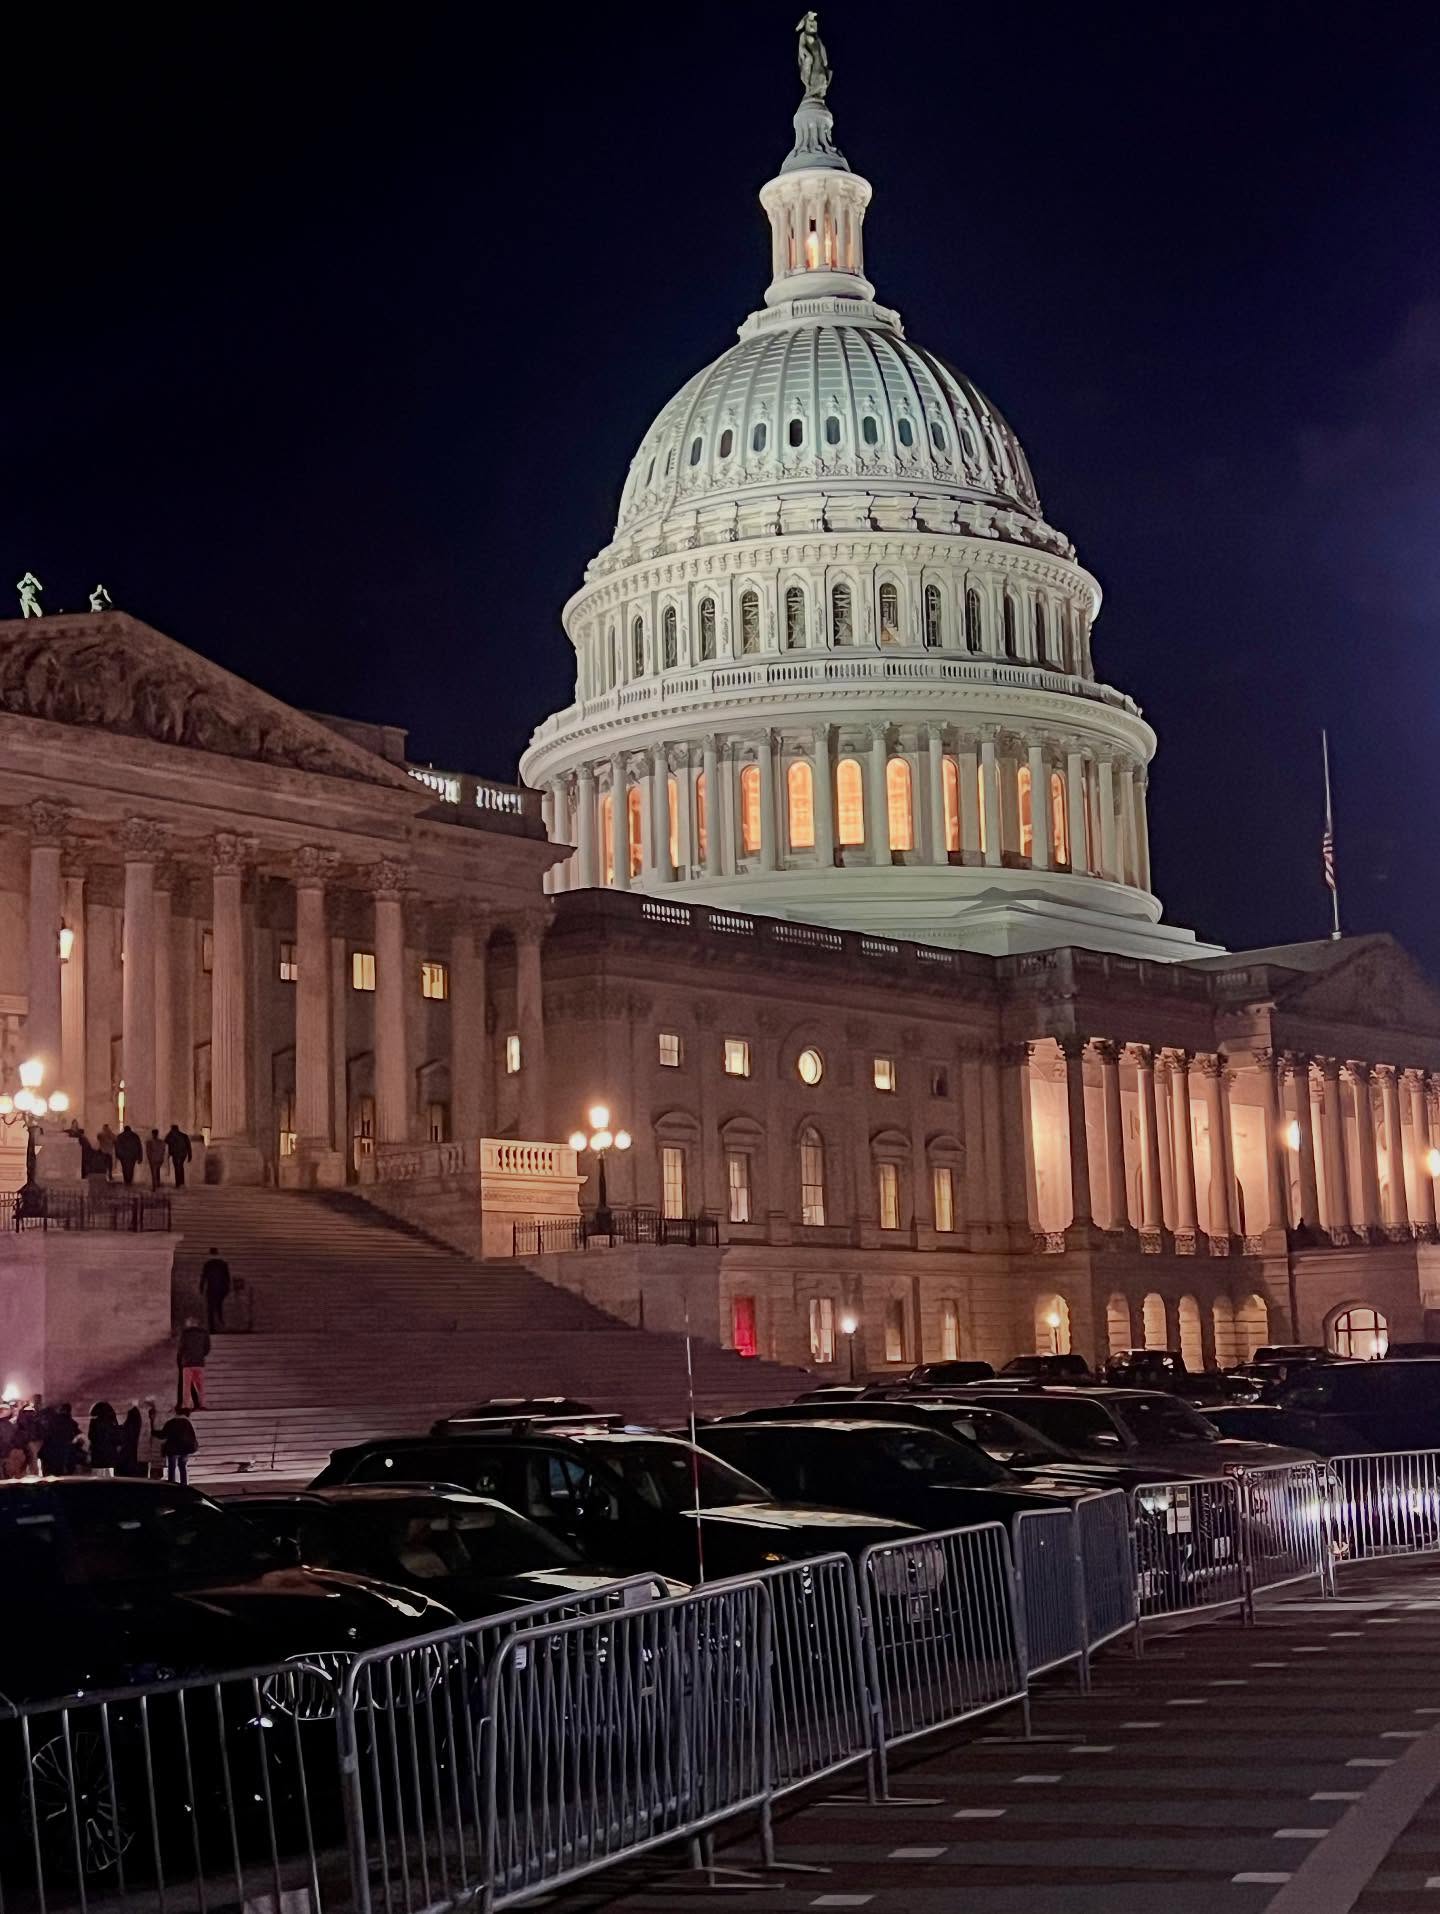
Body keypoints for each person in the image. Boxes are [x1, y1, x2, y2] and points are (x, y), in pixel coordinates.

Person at [176, 1318, 210, 1410]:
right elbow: (207, 1348)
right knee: (201, 1386)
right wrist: (201, 1355)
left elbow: (181, 1347)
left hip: (187, 1363)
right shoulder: (204, 1333)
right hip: (199, 1363)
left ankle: (186, 1405)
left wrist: (182, 1356)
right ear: (197, 1324)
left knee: (186, 1386)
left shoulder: (185, 1334)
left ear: (189, 1324)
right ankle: (203, 1405)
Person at [159, 1407, 198, 1486]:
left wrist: (153, 1431)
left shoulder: (171, 1422)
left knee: (172, 1468)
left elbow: (163, 1435)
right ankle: (184, 1486)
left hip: (172, 1450)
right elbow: (192, 1437)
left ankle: (172, 1486)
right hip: (184, 1450)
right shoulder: (187, 1423)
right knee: (183, 1468)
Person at [199, 1249, 231, 1332]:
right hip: (220, 1290)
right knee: (219, 1307)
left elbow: (203, 1277)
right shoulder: (223, 1264)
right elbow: (227, 1279)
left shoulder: (208, 1264)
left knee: (210, 1308)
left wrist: (201, 1289)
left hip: (211, 1290)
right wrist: (227, 1289)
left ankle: (212, 1327)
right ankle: (220, 1323)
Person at [87, 1401, 122, 1474]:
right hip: (109, 1456)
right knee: (109, 1478)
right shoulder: (112, 1423)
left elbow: (90, 1436)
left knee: (96, 1478)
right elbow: (117, 1439)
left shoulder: (94, 1422)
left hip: (97, 1456)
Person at [119, 1402, 143, 1476]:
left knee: (127, 1454)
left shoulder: (132, 1418)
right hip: (132, 1441)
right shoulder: (136, 1419)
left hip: (128, 1441)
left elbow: (125, 1427)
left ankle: (127, 1470)